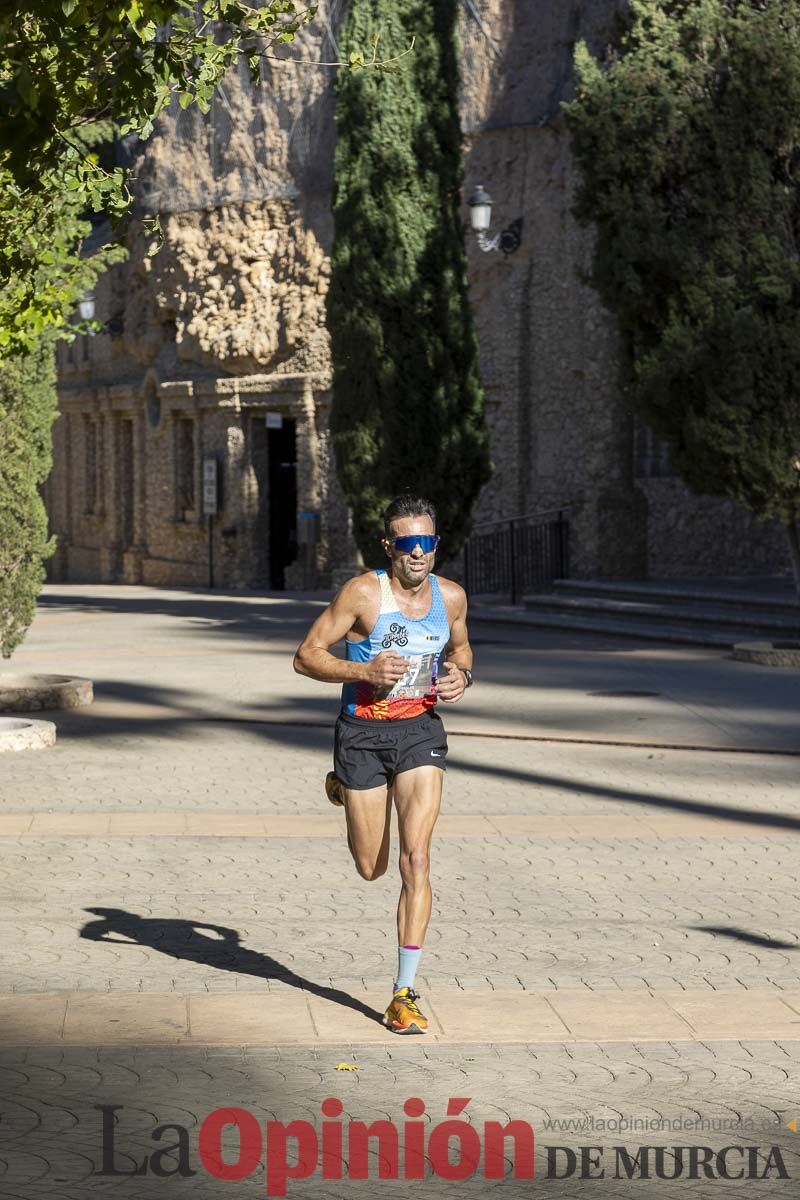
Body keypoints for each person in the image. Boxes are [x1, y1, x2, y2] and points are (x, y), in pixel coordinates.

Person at [293, 494, 473, 1034]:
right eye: (407, 542)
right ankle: (347, 787)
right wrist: (363, 671)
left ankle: (403, 992)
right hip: (363, 735)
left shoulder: (453, 598)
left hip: (420, 731)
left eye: (427, 542)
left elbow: (462, 652)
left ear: (437, 545)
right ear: (388, 545)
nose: (418, 552)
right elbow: (305, 657)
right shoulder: (363, 594)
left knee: (415, 859)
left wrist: (461, 677)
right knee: (371, 866)